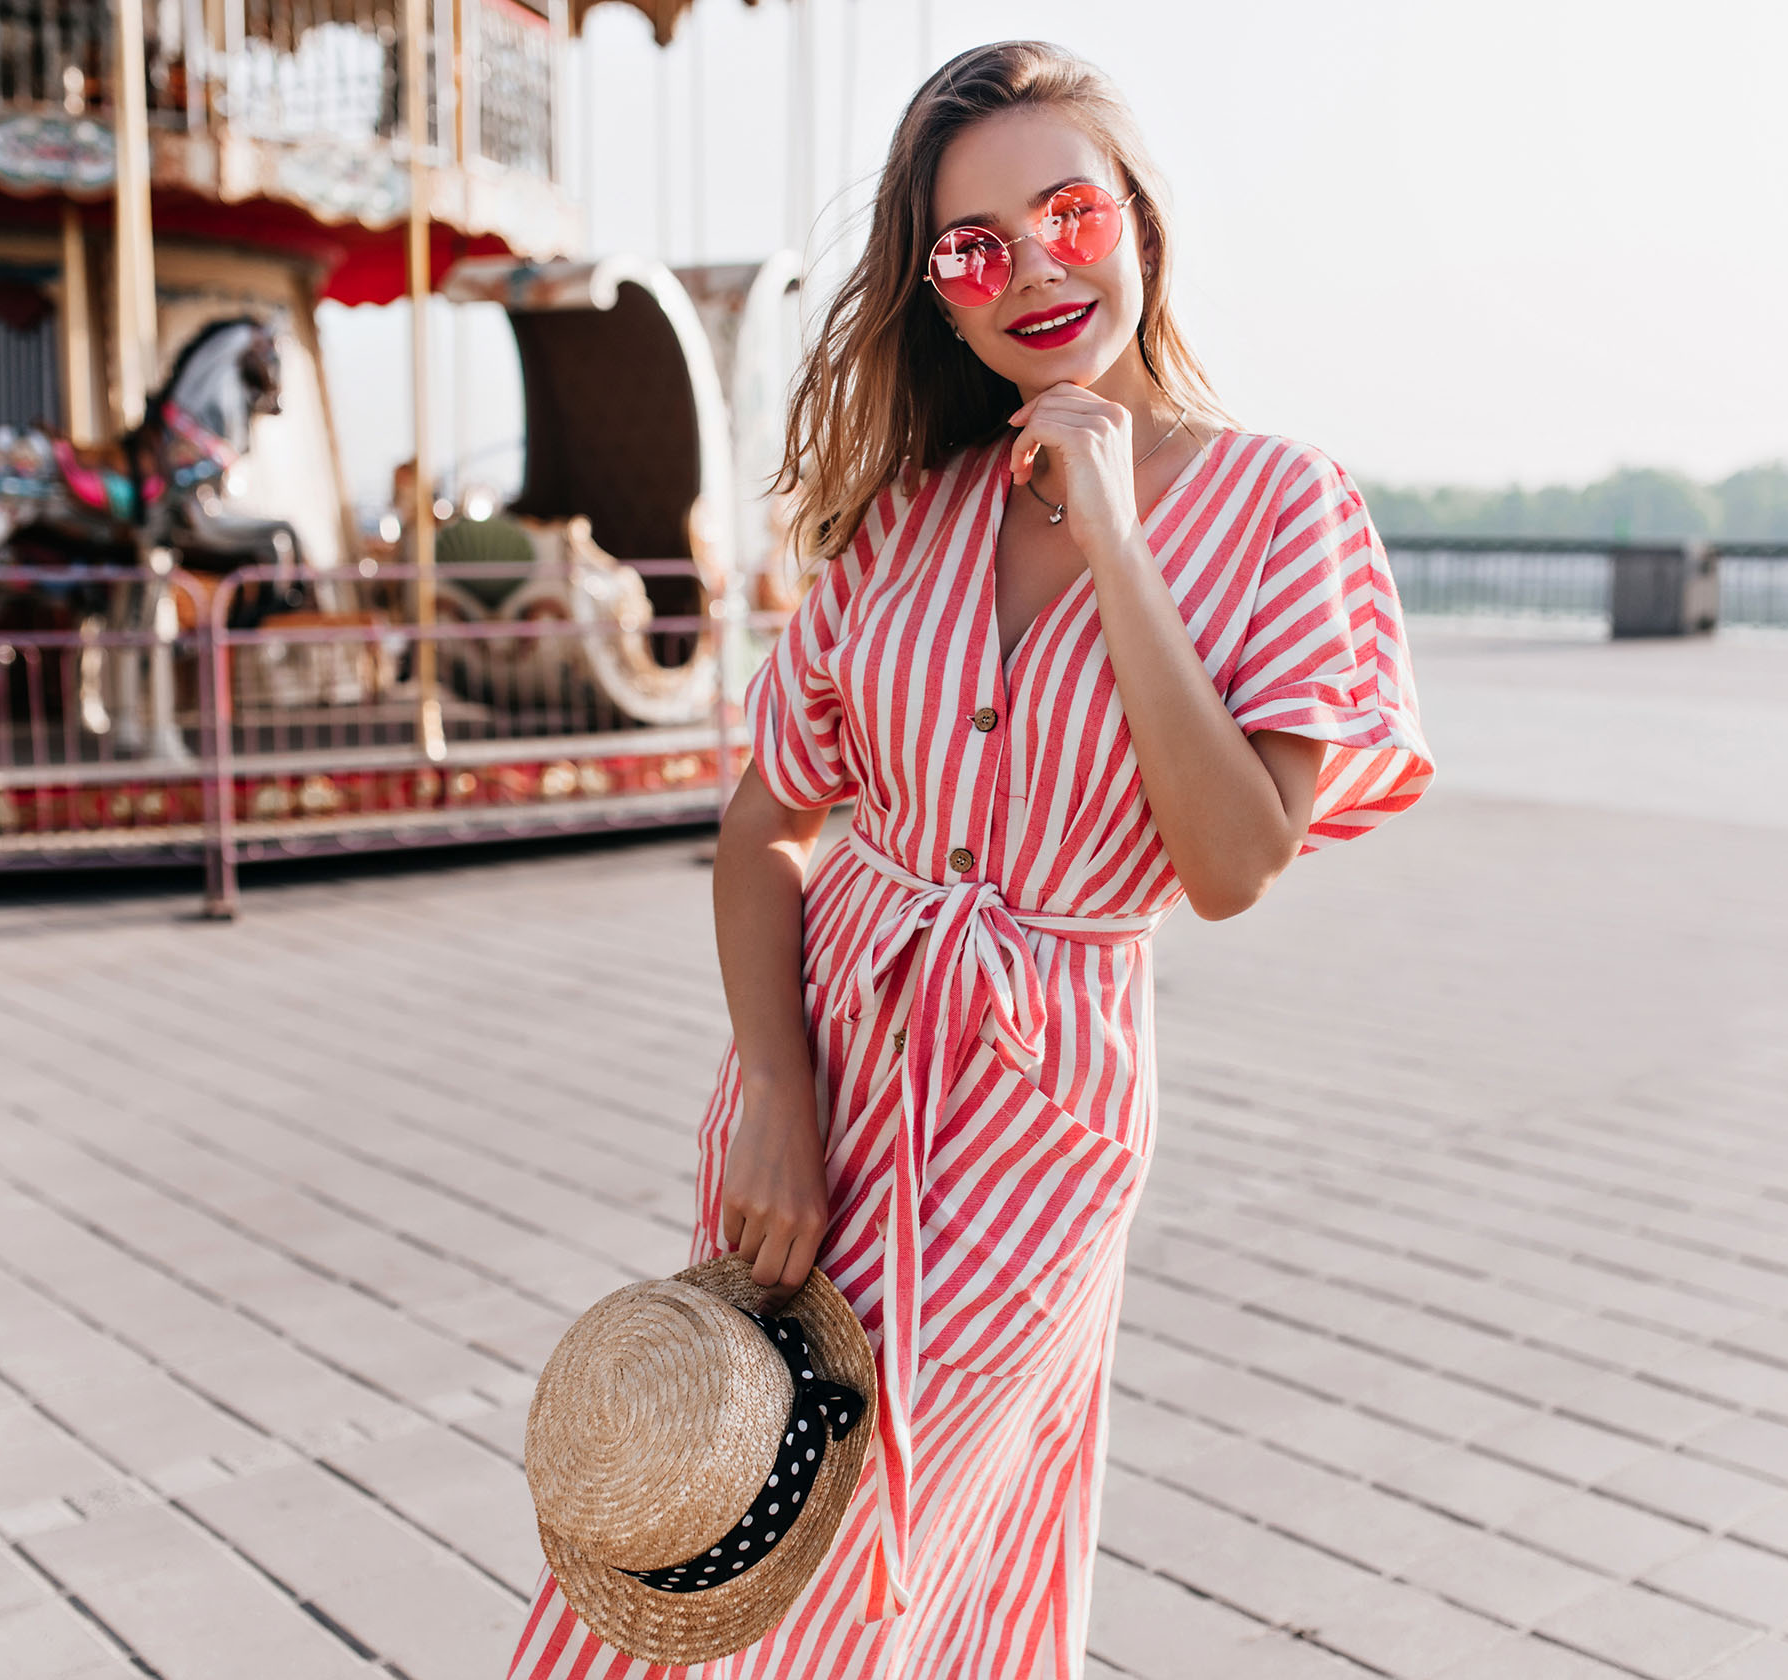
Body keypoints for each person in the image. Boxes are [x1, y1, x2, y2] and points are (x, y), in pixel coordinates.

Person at [506, 39, 1432, 1680]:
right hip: (826, 1073)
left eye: (1068, 209)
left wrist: (1114, 522)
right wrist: (779, 1105)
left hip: (1036, 1115)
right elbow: (765, 828)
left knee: (895, 1545)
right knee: (725, 1515)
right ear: (939, 292)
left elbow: (1233, 861)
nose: (1034, 267)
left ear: (1138, 215)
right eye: (974, 245)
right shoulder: (906, 516)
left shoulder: (1288, 508)